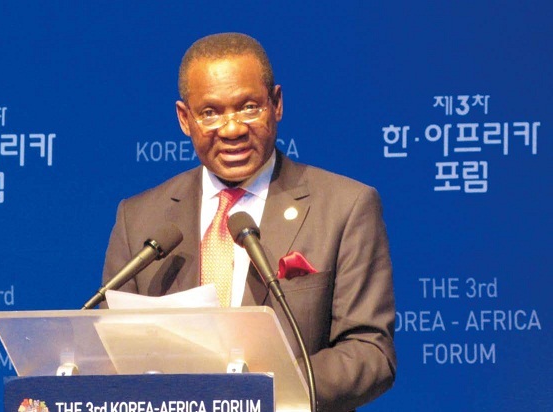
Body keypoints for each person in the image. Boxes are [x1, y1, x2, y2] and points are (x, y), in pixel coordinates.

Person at [101, 32, 396, 411]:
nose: (232, 129)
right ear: (184, 119)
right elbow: (109, 345)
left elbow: (370, 353)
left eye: (249, 107)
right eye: (210, 112)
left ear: (276, 104)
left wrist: (258, 393)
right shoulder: (139, 217)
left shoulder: (345, 206)